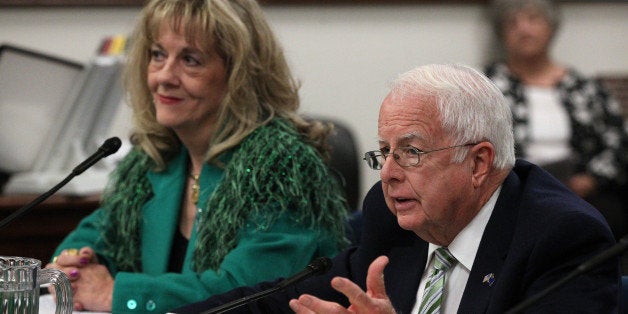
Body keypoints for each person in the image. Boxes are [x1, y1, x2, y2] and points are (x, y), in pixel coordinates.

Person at [175, 64, 619, 314]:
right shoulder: (396, 219)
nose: (387, 173)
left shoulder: (560, 237)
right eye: (383, 152)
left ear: (479, 162)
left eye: (410, 152)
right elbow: (284, 301)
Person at [45, 0, 349, 312]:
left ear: (239, 75)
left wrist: (116, 294)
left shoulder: (282, 167)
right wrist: (74, 266)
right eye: (158, 55)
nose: (165, 76)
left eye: (190, 60)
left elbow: (249, 291)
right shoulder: (155, 161)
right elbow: (91, 238)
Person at [484, 0, 628, 240]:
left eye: (533, 19)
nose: (523, 29)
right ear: (502, 34)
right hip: (509, 192)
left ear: (551, 28)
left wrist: (591, 179)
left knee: (603, 216)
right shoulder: (485, 87)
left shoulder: (584, 88)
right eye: (513, 22)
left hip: (581, 192)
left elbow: (619, 144)